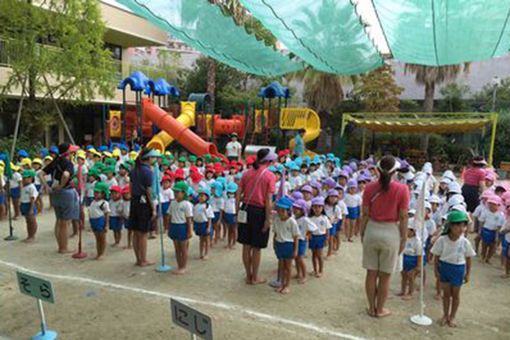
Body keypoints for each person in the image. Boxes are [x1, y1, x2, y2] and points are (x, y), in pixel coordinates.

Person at [360, 155, 410, 318]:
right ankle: (380, 309)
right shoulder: (403, 189)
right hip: (391, 233)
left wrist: (363, 233)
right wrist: (403, 238)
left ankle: (371, 307)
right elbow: (403, 217)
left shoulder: (369, 188)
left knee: (371, 273)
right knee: (385, 277)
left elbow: (365, 214)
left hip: (372, 230)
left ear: (378, 170)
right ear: (395, 171)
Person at [236, 148, 277, 285]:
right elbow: (268, 200)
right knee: (256, 247)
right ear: (269, 160)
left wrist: (237, 212)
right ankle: (255, 276)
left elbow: (238, 193)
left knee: (246, 245)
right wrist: (268, 219)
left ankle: (248, 275)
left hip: (246, 209)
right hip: (259, 212)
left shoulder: (247, 173)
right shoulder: (270, 176)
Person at [431, 210, 475, 327]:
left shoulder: (464, 242)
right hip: (445, 267)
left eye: (463, 225)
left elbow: (469, 258)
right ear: (450, 225)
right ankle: (445, 315)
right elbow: (437, 256)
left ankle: (453, 316)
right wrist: (436, 270)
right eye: (457, 225)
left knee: (455, 295)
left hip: (458, 269)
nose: (461, 228)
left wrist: (467, 274)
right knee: (446, 294)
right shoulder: (442, 240)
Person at [39, 143, 80, 254]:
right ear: (68, 152)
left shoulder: (56, 160)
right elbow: (66, 175)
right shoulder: (68, 163)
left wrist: (47, 187)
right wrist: (62, 186)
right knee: (65, 222)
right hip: (66, 192)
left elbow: (41, 173)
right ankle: (64, 247)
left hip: (55, 193)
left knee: (59, 220)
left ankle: (60, 246)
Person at [129, 148, 158, 266]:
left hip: (135, 200)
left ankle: (138, 259)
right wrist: (153, 208)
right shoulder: (148, 172)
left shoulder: (134, 169)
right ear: (149, 158)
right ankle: (143, 259)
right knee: (143, 233)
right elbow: (149, 191)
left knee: (136, 232)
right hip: (143, 201)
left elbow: (130, 186)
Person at [272, 197, 299, 294]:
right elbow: (275, 234)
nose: (280, 212)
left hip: (288, 245)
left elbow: (296, 237)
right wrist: (274, 245)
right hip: (279, 244)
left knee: (288, 267)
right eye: (278, 210)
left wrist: (295, 250)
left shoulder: (292, 221)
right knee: (282, 266)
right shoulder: (277, 220)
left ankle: (287, 285)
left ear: (288, 211)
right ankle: (282, 284)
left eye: (283, 210)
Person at [167, 181, 193, 274]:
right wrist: (168, 228)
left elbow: (188, 219)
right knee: (177, 248)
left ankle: (183, 266)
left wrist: (189, 230)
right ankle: (179, 265)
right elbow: (169, 216)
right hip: (174, 225)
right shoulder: (172, 203)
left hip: (182, 226)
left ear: (184, 193)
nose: (176, 194)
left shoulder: (187, 204)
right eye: (175, 192)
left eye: (178, 192)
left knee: (183, 248)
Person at [397, 224, 422, 300]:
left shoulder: (417, 242)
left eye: (408, 229)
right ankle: (403, 291)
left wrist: (418, 265)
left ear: (412, 231)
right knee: (403, 276)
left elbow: (419, 255)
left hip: (412, 260)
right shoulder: (404, 239)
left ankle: (410, 293)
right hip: (404, 258)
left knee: (411, 277)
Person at [308, 196, 331, 277]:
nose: (317, 209)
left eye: (319, 207)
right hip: (313, 238)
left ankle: (321, 270)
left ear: (322, 208)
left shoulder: (324, 218)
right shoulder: (310, 218)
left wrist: (327, 239)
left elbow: (328, 229)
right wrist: (308, 235)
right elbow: (308, 229)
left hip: (321, 237)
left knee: (320, 255)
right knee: (313, 254)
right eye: (315, 207)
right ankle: (315, 270)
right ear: (312, 208)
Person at [89, 182, 110, 260]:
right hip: (93, 221)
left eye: (98, 193)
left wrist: (106, 224)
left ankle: (102, 253)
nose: (95, 194)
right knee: (97, 238)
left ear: (103, 194)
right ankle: (98, 252)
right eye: (95, 192)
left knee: (102, 238)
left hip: (100, 221)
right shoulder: (93, 202)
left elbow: (107, 214)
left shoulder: (104, 203)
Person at [193, 187, 214, 260]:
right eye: (199, 196)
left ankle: (206, 253)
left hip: (205, 224)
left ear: (207, 197)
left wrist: (208, 227)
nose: (200, 197)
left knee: (206, 240)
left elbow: (209, 218)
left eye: (202, 196)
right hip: (198, 224)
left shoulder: (207, 206)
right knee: (201, 240)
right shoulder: (196, 206)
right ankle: (201, 253)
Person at [20, 169, 38, 242]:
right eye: (23, 178)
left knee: (32, 221)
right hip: (24, 204)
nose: (24, 179)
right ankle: (29, 235)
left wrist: (31, 209)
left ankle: (32, 236)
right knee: (28, 221)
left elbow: (32, 199)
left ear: (32, 178)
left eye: (26, 178)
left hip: (29, 205)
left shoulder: (31, 187)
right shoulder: (24, 186)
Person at [224, 182, 238, 249]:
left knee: (234, 229)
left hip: (234, 215)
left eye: (232, 193)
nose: (231, 194)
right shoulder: (226, 200)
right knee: (229, 229)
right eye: (229, 193)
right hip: (228, 215)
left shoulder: (237, 200)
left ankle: (234, 243)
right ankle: (229, 243)